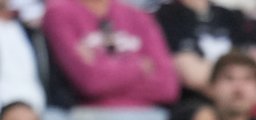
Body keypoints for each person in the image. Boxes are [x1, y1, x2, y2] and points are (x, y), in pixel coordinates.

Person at [43, 0, 180, 108]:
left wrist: (106, 75)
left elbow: (168, 87)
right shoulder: (58, 12)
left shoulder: (139, 16)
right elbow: (91, 82)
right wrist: (139, 68)